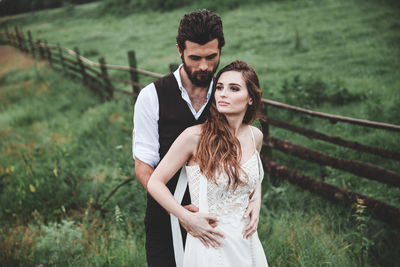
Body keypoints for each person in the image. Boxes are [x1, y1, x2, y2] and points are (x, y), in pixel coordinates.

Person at [147, 60, 269, 267]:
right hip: (210, 242)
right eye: (219, 87)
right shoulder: (195, 137)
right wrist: (185, 217)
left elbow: (252, 177)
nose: (223, 93)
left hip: (246, 240)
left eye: (234, 89)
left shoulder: (255, 136)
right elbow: (155, 182)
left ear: (250, 98)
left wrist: (255, 202)